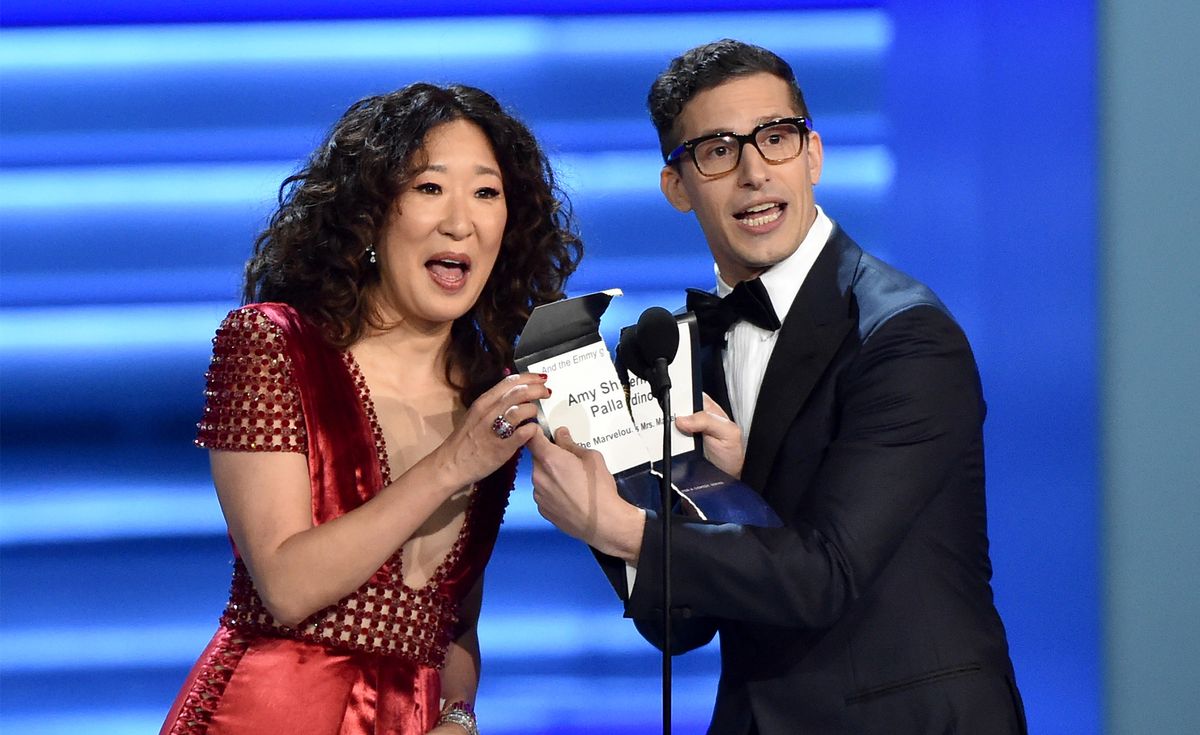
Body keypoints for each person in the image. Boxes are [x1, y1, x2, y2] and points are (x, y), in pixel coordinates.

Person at [528, 40, 1026, 734]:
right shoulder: (678, 349)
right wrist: (695, 494)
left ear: (813, 155)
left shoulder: (905, 337)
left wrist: (618, 525)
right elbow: (680, 627)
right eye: (717, 150)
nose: (754, 173)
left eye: (775, 138)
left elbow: (828, 576)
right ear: (677, 187)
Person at [160, 82, 581, 735]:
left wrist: (458, 715)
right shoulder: (271, 345)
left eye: (486, 192)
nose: (460, 221)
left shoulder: (488, 394)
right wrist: (451, 463)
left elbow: (453, 624)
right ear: (370, 214)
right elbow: (286, 582)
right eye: (429, 188)